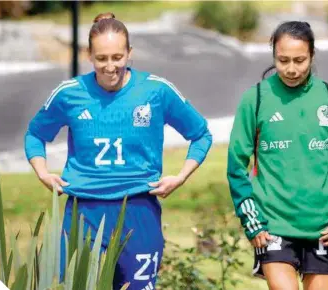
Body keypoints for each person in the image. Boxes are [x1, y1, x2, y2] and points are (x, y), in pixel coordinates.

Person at [24, 12, 212, 290]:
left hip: (139, 209)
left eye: (117, 57)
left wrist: (180, 176)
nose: (110, 66)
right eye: (102, 59)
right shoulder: (69, 93)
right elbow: (35, 135)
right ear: (89, 55)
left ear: (129, 53)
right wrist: (42, 173)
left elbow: (201, 134)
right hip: (83, 211)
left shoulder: (155, 91)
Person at [227, 21, 328, 290]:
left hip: (324, 227)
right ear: (273, 55)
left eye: (299, 60)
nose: (291, 69)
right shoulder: (255, 99)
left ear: (312, 55)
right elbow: (236, 166)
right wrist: (252, 220)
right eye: (283, 60)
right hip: (273, 225)